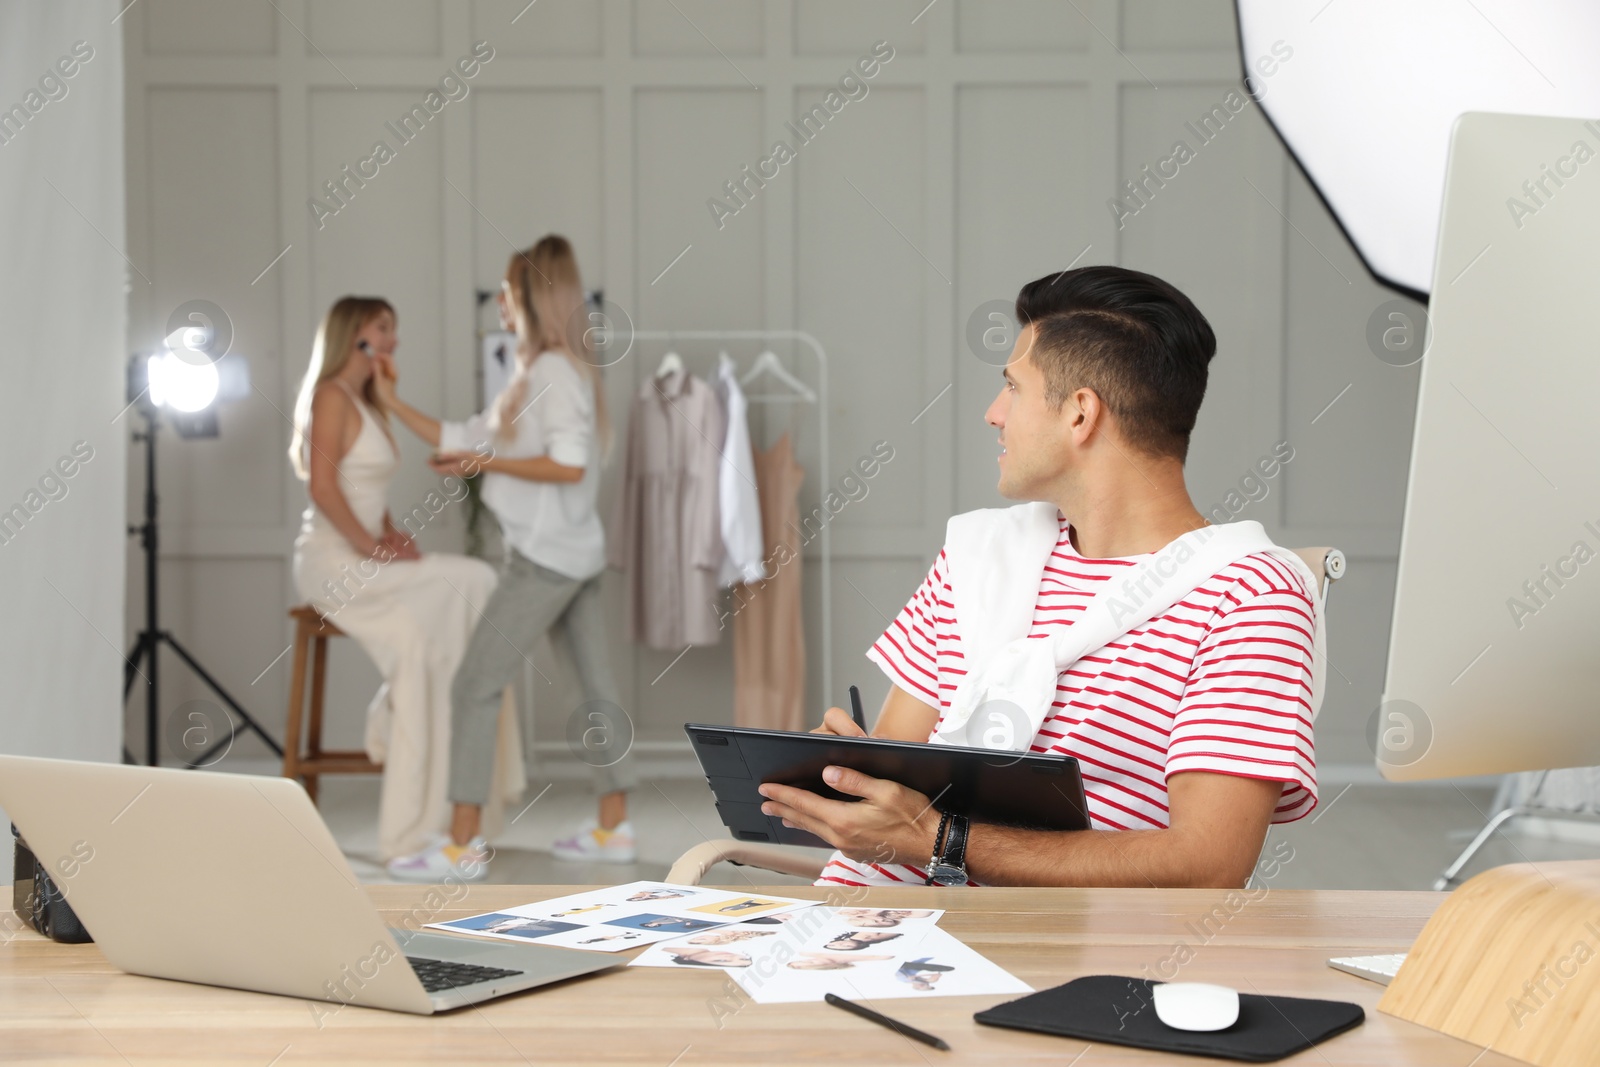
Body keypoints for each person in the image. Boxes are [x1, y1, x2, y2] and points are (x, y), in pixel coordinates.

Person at [755, 266, 1322, 889]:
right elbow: (895, 777)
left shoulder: (1251, 596)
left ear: (1080, 414)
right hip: (849, 930)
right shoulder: (979, 556)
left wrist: (940, 839)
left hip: (1038, 961)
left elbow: (1208, 866)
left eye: (1013, 388)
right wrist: (842, 778)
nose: (993, 414)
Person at [377, 236, 637, 880]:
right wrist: (393, 403)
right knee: (594, 691)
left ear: (531, 297)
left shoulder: (551, 372)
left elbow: (567, 464)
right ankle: (614, 826)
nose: (497, 300)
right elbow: (466, 435)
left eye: (506, 290)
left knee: (474, 686)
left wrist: (483, 460)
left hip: (546, 561)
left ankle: (461, 846)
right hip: (575, 556)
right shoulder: (540, 372)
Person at [289, 296, 516, 866]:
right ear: (353, 335)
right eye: (381, 328)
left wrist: (392, 536)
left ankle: (459, 807)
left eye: (394, 328)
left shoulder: (369, 402)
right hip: (331, 562)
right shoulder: (330, 396)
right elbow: (324, 489)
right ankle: (408, 837)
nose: (392, 338)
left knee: (476, 584)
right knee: (423, 647)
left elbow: (368, 494)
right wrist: (369, 548)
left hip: (365, 552)